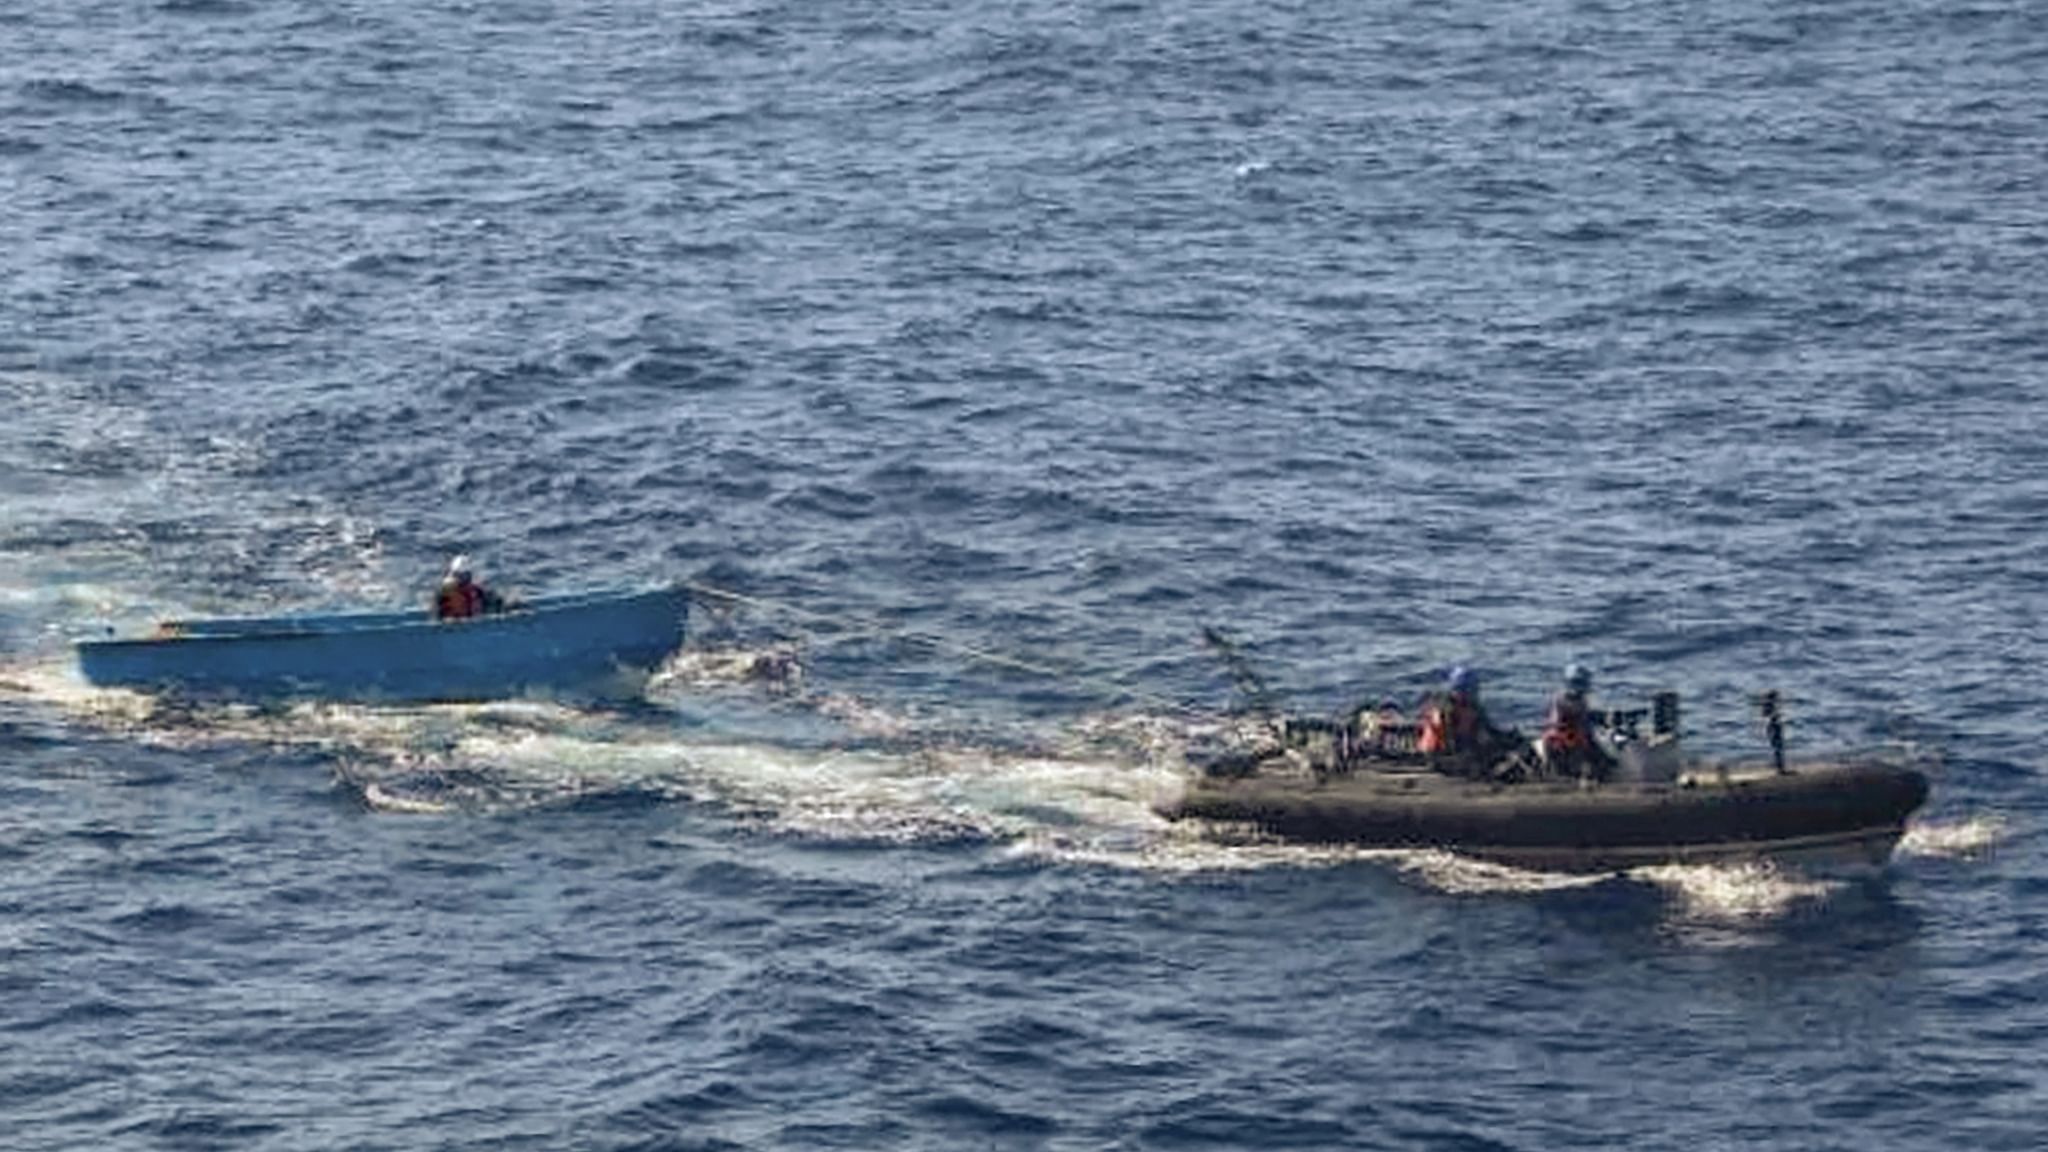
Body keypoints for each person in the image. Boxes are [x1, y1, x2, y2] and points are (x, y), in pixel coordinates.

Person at [1417, 666, 1512, 775]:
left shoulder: (1472, 707)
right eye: (1466, 691)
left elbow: (1485, 727)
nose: (1470, 694)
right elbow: (1449, 742)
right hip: (1439, 756)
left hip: (1460, 750)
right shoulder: (1444, 712)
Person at [1540, 663, 1616, 781]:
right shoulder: (1562, 699)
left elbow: (1584, 720)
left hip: (1575, 733)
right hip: (1565, 735)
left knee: (1602, 755)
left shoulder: (1580, 700)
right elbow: (1561, 722)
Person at [432, 554, 506, 620]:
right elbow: (436, 612)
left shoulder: (477, 591)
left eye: (463, 577)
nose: (460, 580)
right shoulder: (444, 592)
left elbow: (497, 603)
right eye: (458, 576)